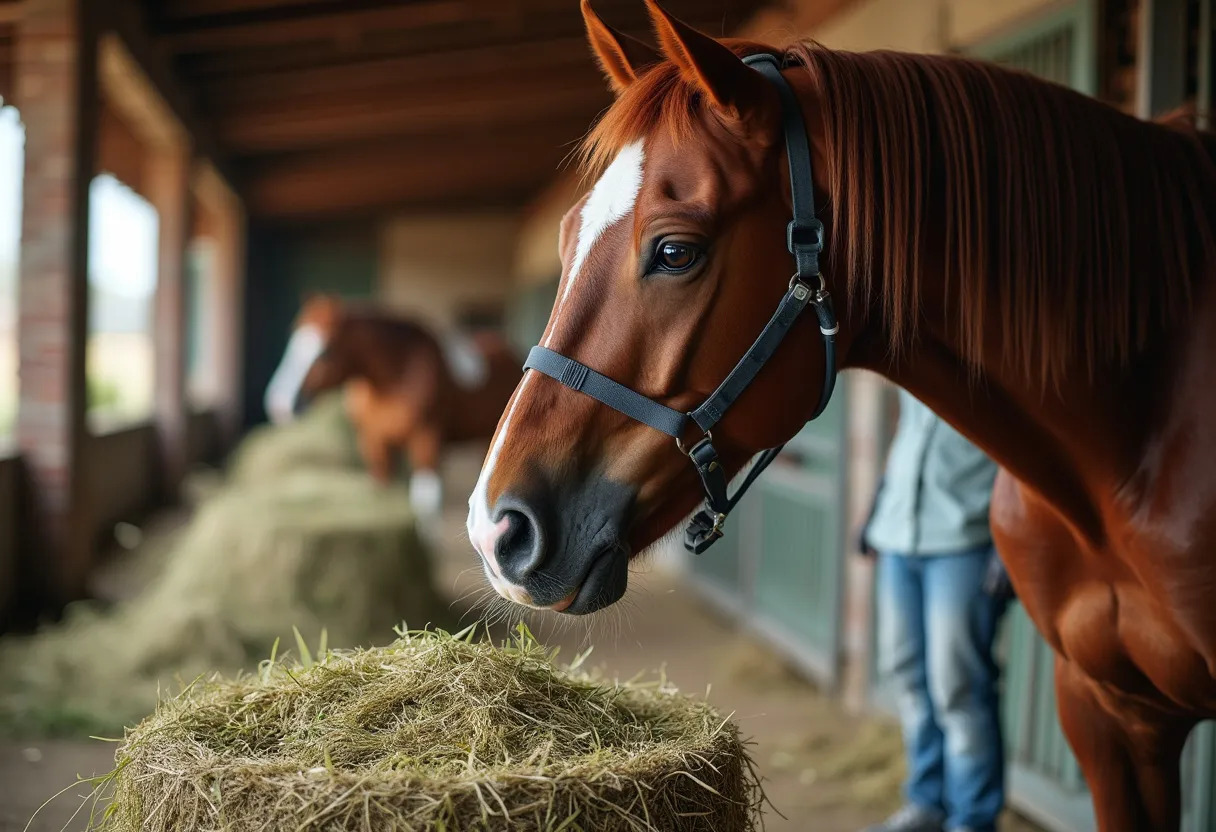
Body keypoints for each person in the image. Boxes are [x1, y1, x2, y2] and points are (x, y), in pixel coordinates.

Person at [860, 389, 1013, 832]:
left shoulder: (998, 359)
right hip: (897, 534)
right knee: (905, 672)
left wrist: (1009, 545)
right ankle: (927, 805)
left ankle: (972, 820)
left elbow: (1024, 453)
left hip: (965, 538)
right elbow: (906, 431)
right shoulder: (923, 350)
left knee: (959, 688)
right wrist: (875, 506)